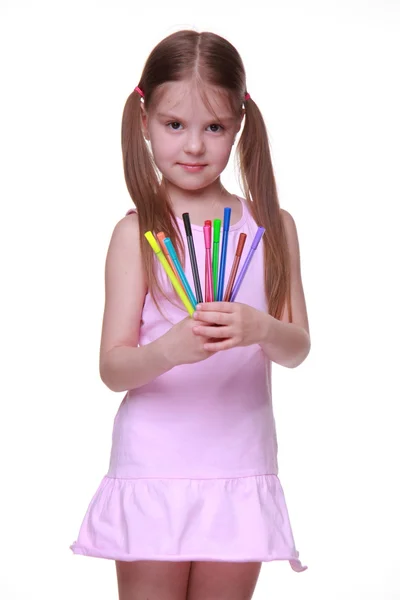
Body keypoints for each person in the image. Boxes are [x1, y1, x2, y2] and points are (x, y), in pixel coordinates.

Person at [70, 29, 311, 600]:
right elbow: (112, 369)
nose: (195, 146)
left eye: (215, 127)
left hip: (240, 462)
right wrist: (167, 350)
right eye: (175, 125)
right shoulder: (136, 234)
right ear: (145, 120)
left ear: (239, 127)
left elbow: (297, 347)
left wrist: (261, 328)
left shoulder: (272, 228)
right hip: (154, 464)